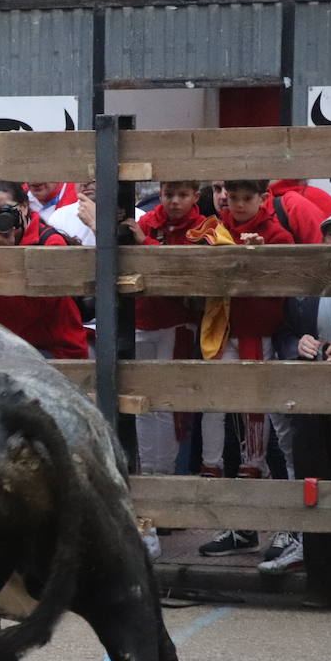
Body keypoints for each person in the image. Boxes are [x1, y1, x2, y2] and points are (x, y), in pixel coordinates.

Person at [193, 179, 293, 558]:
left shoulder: (277, 234)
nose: (236, 204)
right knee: (229, 433)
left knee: (276, 441)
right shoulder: (213, 230)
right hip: (222, 338)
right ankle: (241, 528)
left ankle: (289, 531)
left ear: (263, 199)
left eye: (245, 198)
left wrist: (261, 258)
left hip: (265, 341)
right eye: (231, 197)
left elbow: (287, 280)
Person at [271, 210, 331, 605]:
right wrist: (297, 345)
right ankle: (323, 587)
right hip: (314, 399)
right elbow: (282, 333)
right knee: (314, 488)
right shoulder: (305, 285)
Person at [130, 181, 204, 477]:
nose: (175, 201)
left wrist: (145, 245)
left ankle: (167, 476)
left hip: (176, 323)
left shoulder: (204, 228)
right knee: (142, 403)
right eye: (169, 194)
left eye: (183, 195)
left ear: (196, 196)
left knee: (169, 405)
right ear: (159, 194)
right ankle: (149, 474)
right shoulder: (147, 222)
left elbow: (184, 273)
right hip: (141, 320)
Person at [0, 182, 88, 360]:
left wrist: (8, 255)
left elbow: (36, 310)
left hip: (56, 349)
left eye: (5, 210)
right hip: (11, 346)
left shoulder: (50, 242)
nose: (1, 218)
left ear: (23, 208)